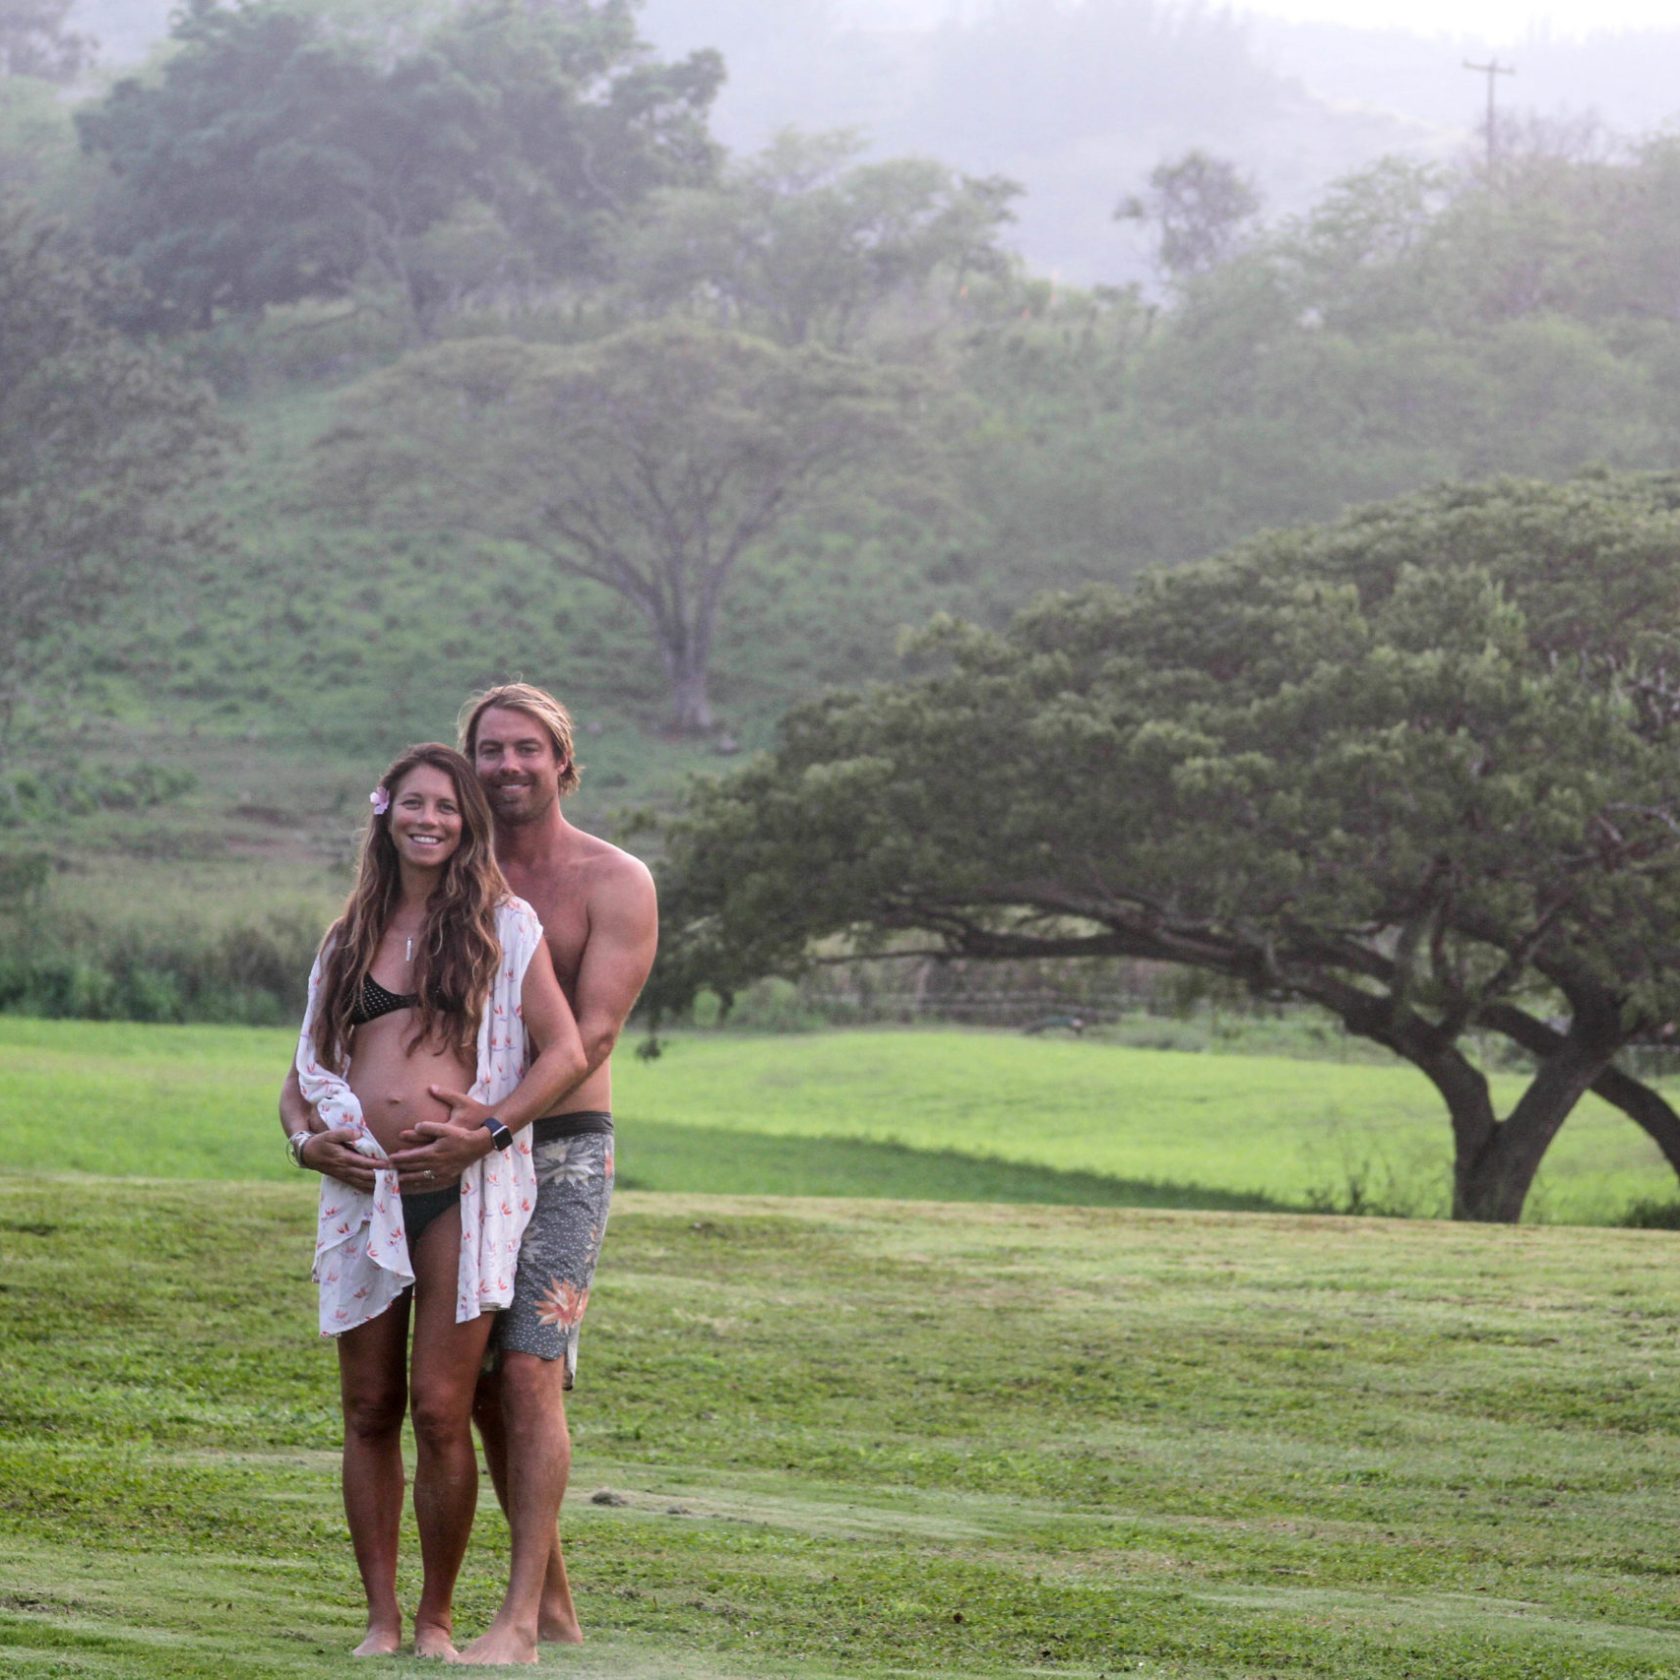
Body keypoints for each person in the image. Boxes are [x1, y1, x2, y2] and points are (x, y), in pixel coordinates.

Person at [283, 685, 658, 1665]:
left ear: (562, 761)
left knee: (525, 1371)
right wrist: (312, 1135)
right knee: (470, 1393)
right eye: (490, 749)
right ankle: (552, 1604)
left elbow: (589, 1038)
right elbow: (316, 1053)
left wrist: (488, 1129)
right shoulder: (434, 884)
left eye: (528, 748)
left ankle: (518, 1619)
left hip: (556, 1149)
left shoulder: (603, 883)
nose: (508, 765)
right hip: (425, 1166)